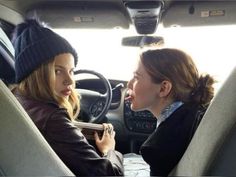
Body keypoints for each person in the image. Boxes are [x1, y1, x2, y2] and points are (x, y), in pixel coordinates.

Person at [11, 19, 123, 176]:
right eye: (58, 71)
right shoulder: (52, 120)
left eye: (71, 71)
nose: (70, 81)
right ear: (36, 73)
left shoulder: (17, 98)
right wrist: (109, 150)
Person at [126, 48, 215, 176]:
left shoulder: (158, 149)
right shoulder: (196, 112)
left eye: (136, 77)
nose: (129, 84)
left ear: (163, 88)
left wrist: (108, 151)